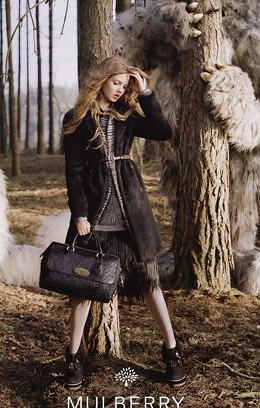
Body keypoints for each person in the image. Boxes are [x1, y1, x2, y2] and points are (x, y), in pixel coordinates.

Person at [61, 56, 186, 389]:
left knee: (150, 283)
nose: (119, 89)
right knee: (83, 290)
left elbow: (163, 130)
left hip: (132, 214)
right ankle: (73, 357)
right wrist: (80, 213)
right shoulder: (76, 118)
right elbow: (74, 171)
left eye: (124, 84)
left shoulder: (128, 114)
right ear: (102, 79)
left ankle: (172, 351)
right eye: (116, 83)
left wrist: (145, 93)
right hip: (94, 219)